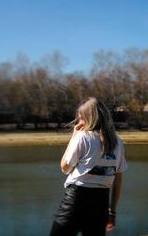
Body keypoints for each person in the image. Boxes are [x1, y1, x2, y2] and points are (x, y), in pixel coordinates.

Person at [50, 97, 128, 236]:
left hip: (75, 202)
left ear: (89, 118)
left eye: (81, 118)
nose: (80, 122)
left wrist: (74, 137)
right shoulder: (118, 142)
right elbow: (118, 180)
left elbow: (65, 168)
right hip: (101, 204)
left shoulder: (82, 137)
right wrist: (112, 212)